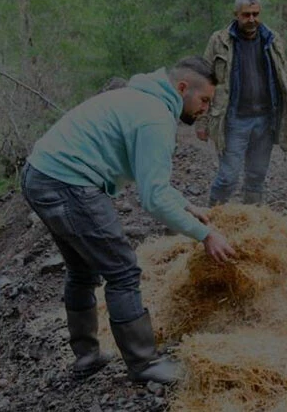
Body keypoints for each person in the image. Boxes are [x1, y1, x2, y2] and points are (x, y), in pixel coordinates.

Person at [21, 56, 236, 384]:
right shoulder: (155, 119)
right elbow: (153, 199)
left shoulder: (140, 99)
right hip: (68, 182)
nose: (206, 108)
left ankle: (87, 357)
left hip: (41, 175)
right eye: (204, 99)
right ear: (182, 88)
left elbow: (152, 182)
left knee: (82, 269)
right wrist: (205, 235)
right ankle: (144, 364)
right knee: (122, 271)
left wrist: (187, 205)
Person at [197, 0, 287, 206]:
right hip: (233, 120)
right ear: (236, 15)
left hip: (265, 120)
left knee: (256, 176)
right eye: (246, 15)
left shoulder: (272, 39)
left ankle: (252, 223)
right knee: (228, 177)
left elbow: (283, 74)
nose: (252, 20)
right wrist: (202, 121)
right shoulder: (219, 41)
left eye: (255, 14)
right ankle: (212, 219)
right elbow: (204, 80)